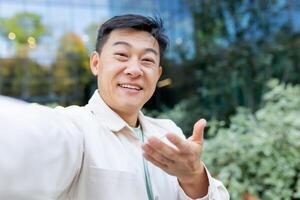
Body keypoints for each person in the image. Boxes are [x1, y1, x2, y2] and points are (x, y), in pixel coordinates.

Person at [0, 14, 229, 200]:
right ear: (96, 63)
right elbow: (31, 140)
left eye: (147, 60)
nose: (134, 69)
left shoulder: (169, 133)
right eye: (121, 55)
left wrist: (193, 176)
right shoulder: (76, 127)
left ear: (158, 74)